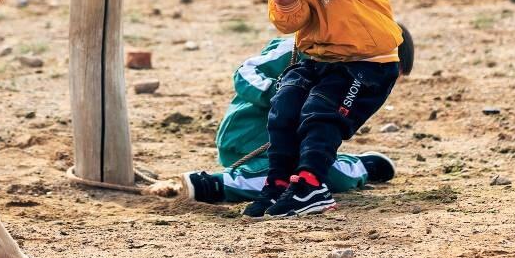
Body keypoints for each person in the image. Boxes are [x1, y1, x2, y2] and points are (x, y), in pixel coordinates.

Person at [245, 0, 406, 218]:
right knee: (284, 106)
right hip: (319, 59)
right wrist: (286, 1)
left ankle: (311, 184)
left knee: (321, 113)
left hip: (366, 64)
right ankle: (279, 182)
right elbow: (291, 23)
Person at [164, 35, 413, 205]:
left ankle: (361, 167)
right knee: (283, 182)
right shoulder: (303, 46)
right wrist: (282, 95)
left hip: (293, 148)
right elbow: (244, 72)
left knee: (318, 178)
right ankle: (219, 185)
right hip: (247, 138)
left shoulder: (351, 80)